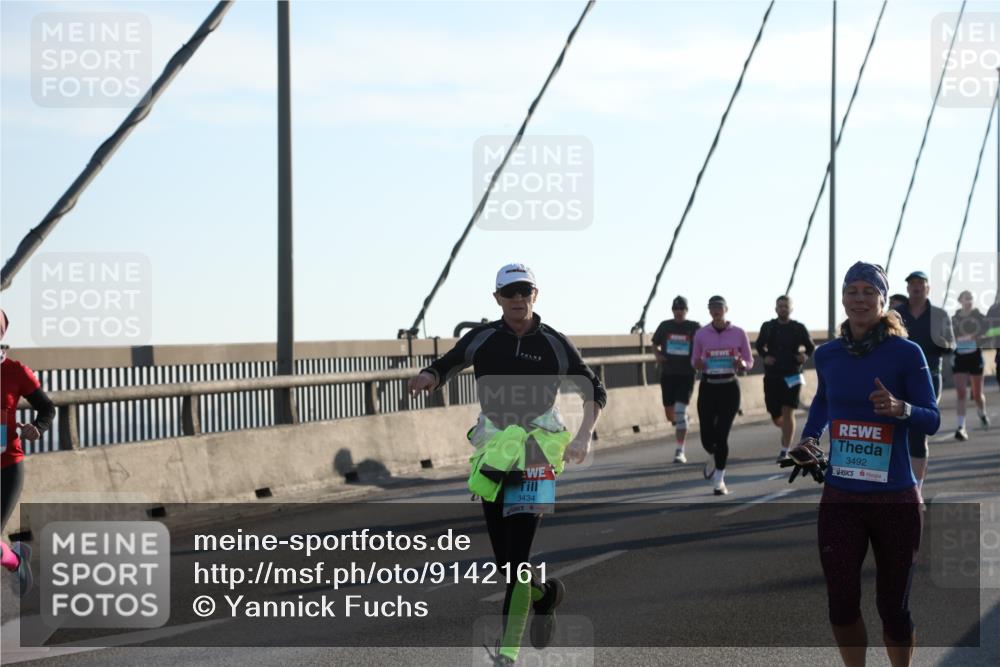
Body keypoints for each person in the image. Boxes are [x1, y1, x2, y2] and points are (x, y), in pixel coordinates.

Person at [408, 264, 605, 665]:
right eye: (510, 292)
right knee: (505, 563)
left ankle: (507, 654)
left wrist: (584, 435)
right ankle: (545, 595)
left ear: (536, 294)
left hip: (536, 452)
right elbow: (445, 364)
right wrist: (428, 376)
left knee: (518, 559)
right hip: (496, 451)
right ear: (496, 298)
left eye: (525, 291)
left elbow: (593, 389)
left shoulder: (554, 342)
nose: (518, 298)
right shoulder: (482, 338)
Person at [790, 261, 939, 667]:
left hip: (894, 499)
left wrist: (900, 408)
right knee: (840, 602)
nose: (858, 298)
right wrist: (809, 437)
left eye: (867, 291)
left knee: (893, 608)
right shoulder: (829, 354)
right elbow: (823, 400)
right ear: (842, 298)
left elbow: (933, 417)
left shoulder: (907, 353)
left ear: (882, 299)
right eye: (852, 291)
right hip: (841, 496)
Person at [1, 309, 55, 597]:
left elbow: (47, 408)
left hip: (8, 465)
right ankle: (14, 559)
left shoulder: (16, 371)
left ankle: (16, 561)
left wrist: (37, 427)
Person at [892, 270, 954, 489]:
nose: (916, 287)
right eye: (912, 284)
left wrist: (943, 345)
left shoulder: (939, 314)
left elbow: (951, 344)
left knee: (918, 431)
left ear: (928, 288)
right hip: (899, 379)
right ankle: (895, 483)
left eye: (920, 283)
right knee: (895, 429)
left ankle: (916, 488)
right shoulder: (896, 314)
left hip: (929, 379)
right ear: (907, 288)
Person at [691, 296, 753, 496]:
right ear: (709, 311)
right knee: (707, 436)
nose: (716, 311)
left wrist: (741, 365)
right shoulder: (701, 334)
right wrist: (698, 364)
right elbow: (694, 360)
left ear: (726, 309)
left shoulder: (738, 333)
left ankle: (719, 479)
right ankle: (714, 454)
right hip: (708, 386)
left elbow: (748, 360)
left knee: (722, 434)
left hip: (729, 388)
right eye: (712, 308)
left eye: (719, 307)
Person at [755, 295, 815, 462]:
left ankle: (784, 449)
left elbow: (810, 347)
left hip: (793, 374)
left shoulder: (798, 328)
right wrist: (765, 356)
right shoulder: (768, 327)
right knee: (775, 413)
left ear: (791, 309)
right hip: (773, 374)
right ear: (776, 308)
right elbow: (759, 345)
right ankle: (787, 430)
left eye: (786, 306)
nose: (783, 309)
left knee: (788, 410)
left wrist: (804, 356)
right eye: (780, 306)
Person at [650, 296, 700, 463]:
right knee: (670, 414)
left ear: (686, 310)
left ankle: (680, 450)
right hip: (668, 374)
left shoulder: (694, 327)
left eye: (682, 309)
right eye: (676, 309)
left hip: (686, 374)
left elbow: (704, 344)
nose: (679, 312)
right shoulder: (665, 326)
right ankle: (682, 419)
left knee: (679, 410)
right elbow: (654, 344)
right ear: (673, 310)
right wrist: (658, 356)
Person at [951, 290, 990, 439]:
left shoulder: (979, 316)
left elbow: (989, 333)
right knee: (961, 393)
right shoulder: (954, 318)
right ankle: (961, 427)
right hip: (960, 357)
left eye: (971, 299)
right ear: (960, 301)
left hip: (975, 357)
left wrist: (978, 337)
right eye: (966, 299)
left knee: (977, 394)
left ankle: (982, 413)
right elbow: (949, 334)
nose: (968, 301)